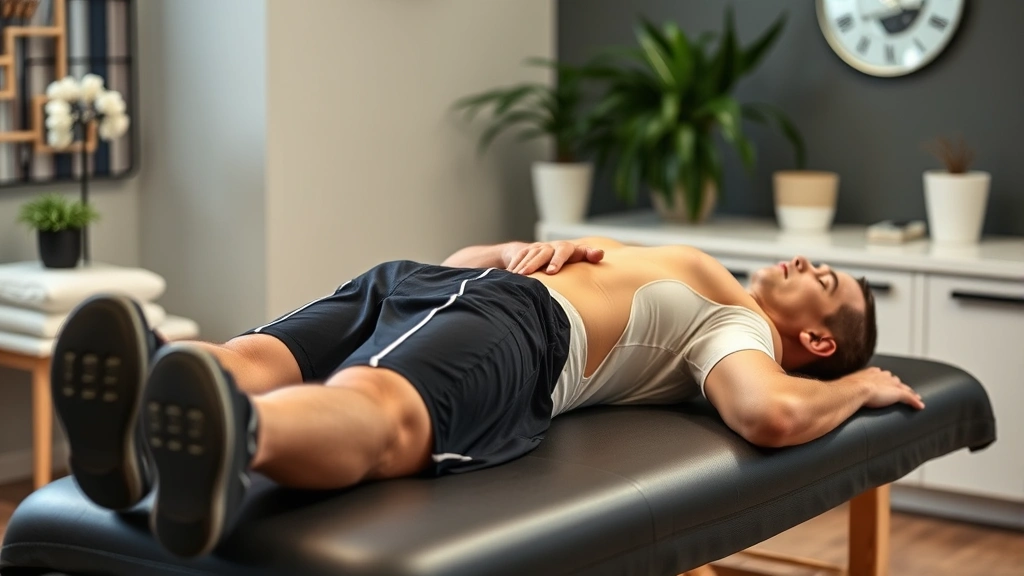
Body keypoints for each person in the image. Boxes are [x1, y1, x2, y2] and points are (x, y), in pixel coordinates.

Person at [50, 238, 924, 558]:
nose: (807, 264)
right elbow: (470, 262)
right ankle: (207, 423)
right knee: (330, 385)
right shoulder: (719, 296)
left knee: (311, 373)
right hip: (483, 301)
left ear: (815, 341)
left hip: (468, 300)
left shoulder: (741, 330)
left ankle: (187, 407)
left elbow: (769, 411)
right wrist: (517, 251)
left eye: (827, 280)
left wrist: (854, 387)